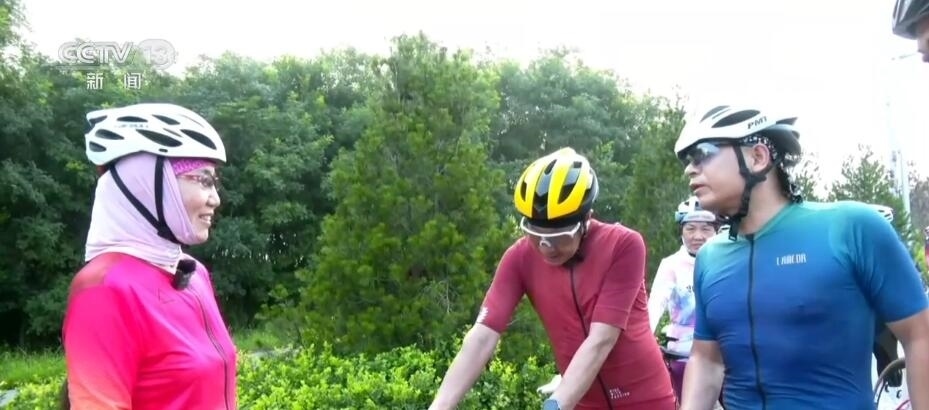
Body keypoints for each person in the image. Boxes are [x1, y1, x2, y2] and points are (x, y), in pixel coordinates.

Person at [672, 104, 929, 410]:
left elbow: (919, 335)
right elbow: (707, 359)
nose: (690, 169)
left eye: (702, 153)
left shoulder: (851, 227)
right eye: (687, 161)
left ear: (757, 157)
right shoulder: (710, 257)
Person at [429, 147, 675, 410]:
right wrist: (439, 406)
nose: (546, 246)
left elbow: (601, 339)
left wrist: (554, 406)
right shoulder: (519, 257)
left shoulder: (623, 245)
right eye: (535, 233)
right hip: (581, 402)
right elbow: (482, 336)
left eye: (559, 236)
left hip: (645, 399)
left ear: (586, 218)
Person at [61, 103, 237, 410]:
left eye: (215, 183)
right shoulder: (102, 289)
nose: (215, 199)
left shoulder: (193, 274)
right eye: (204, 180)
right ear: (145, 181)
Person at [647, 196, 720, 404]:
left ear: (716, 230)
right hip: (684, 355)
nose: (698, 236)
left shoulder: (728, 261)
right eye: (690, 228)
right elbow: (654, 307)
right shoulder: (671, 265)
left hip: (726, 354)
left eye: (706, 229)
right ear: (681, 231)